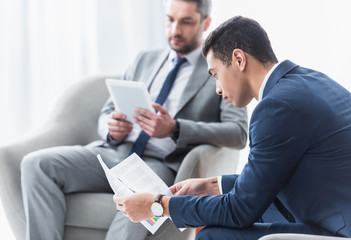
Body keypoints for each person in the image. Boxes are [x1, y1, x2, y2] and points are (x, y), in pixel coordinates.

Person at [114, 15, 351, 239]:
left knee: (213, 236)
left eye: (215, 74)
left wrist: (157, 205)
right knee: (215, 228)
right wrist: (211, 185)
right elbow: (269, 174)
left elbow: (240, 210)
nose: (218, 89)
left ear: (239, 59)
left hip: (341, 229)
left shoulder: (277, 107)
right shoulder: (314, 81)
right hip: (338, 211)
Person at [20, 1, 249, 240]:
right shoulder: (145, 60)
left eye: (186, 21)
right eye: (170, 20)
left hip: (158, 164)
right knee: (35, 164)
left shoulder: (217, 68)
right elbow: (108, 109)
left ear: (206, 23)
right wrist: (111, 127)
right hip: (115, 153)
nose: (175, 30)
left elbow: (238, 132)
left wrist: (175, 128)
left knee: (138, 200)